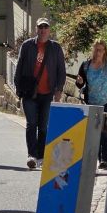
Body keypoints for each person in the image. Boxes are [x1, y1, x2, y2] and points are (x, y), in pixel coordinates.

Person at [15, 18, 66, 170]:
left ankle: (42, 156)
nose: (43, 29)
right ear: (36, 29)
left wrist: (59, 89)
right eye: (40, 27)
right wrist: (18, 89)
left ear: (49, 30)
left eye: (45, 27)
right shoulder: (27, 45)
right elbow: (19, 67)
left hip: (47, 92)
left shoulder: (55, 48)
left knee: (43, 126)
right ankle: (32, 155)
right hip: (30, 92)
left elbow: (61, 71)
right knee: (31, 124)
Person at [76, 39, 107, 169]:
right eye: (96, 49)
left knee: (106, 131)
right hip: (91, 102)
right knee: (94, 131)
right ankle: (97, 158)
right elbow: (79, 83)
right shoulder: (86, 65)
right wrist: (80, 82)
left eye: (101, 50)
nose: (98, 52)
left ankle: (105, 159)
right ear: (93, 50)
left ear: (105, 51)